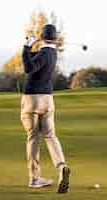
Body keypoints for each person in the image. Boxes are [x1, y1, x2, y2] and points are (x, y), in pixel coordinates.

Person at [21, 24, 70, 193]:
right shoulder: (51, 53)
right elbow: (34, 58)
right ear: (54, 39)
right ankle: (61, 166)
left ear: (42, 37)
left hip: (32, 99)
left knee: (33, 137)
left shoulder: (43, 53)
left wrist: (26, 46)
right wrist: (30, 47)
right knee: (50, 135)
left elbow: (29, 67)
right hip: (48, 100)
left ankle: (34, 178)